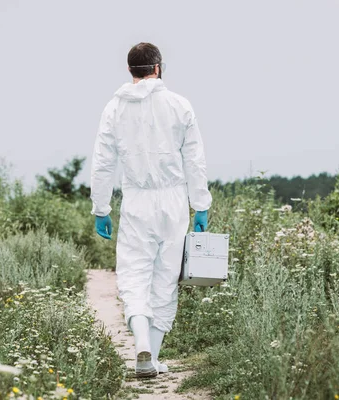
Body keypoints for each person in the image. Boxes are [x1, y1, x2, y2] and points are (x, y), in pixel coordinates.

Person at [90, 42, 212, 378]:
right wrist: (201, 204)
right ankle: (151, 357)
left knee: (134, 273)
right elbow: (195, 159)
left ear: (130, 71)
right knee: (165, 277)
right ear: (158, 68)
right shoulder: (179, 105)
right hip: (174, 200)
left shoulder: (114, 109)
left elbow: (103, 162)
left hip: (136, 201)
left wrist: (101, 208)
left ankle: (141, 343)